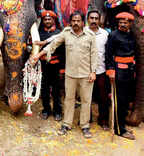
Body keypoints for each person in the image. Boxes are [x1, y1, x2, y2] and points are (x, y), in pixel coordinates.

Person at [33, 11, 98, 139]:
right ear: (70, 22)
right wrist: (39, 55)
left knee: (86, 101)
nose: (75, 23)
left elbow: (94, 54)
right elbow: (53, 44)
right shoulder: (66, 34)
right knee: (69, 100)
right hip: (70, 74)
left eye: (78, 21)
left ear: (82, 22)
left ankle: (85, 126)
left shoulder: (90, 35)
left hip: (86, 74)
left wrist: (93, 71)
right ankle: (66, 124)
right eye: (73, 20)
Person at [106, 12, 136, 140]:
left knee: (126, 101)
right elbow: (108, 55)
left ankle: (122, 124)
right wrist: (111, 70)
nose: (123, 25)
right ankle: (119, 129)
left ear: (130, 23)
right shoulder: (113, 35)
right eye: (121, 22)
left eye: (125, 22)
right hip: (118, 72)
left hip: (129, 71)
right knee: (120, 101)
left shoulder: (131, 35)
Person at [86, 10, 109, 130]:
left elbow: (109, 53)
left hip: (101, 70)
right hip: (85, 71)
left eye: (96, 18)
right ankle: (86, 119)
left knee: (103, 97)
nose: (94, 20)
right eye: (91, 18)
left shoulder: (105, 34)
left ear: (99, 20)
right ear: (87, 19)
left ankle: (103, 120)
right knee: (86, 97)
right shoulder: (83, 32)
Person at [38, 10, 63, 121]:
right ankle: (46, 109)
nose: (47, 21)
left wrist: (63, 68)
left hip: (56, 65)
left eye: (49, 19)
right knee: (44, 89)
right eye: (45, 19)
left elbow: (63, 52)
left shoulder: (59, 33)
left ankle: (57, 111)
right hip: (43, 66)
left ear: (53, 20)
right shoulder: (39, 34)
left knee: (57, 90)